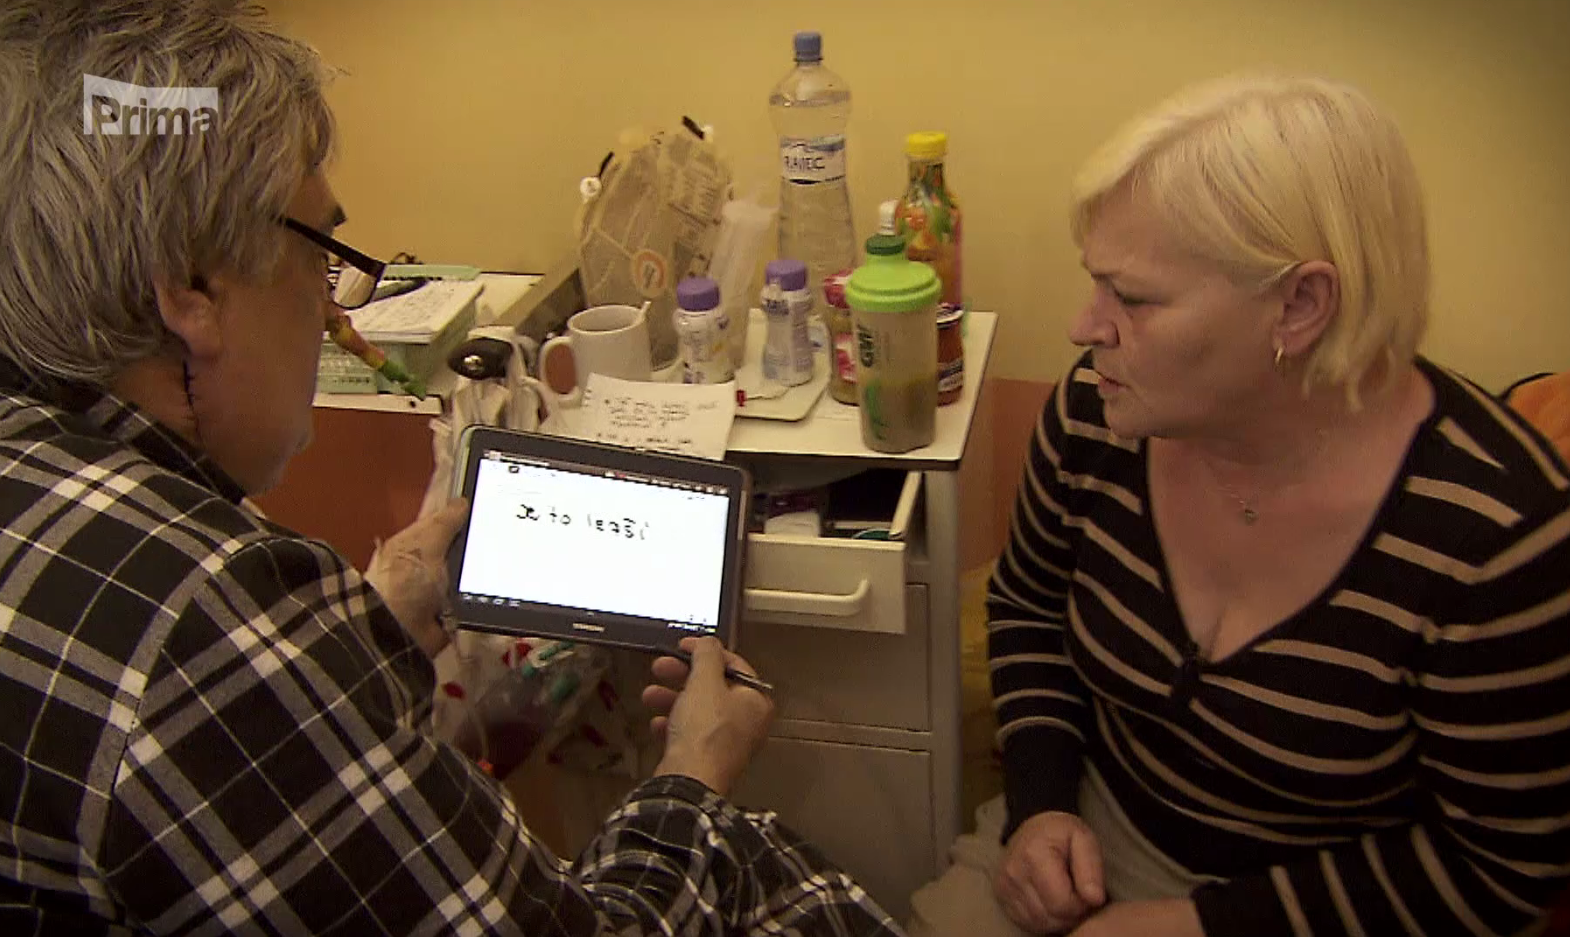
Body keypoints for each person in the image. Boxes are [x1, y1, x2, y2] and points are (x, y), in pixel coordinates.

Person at [0, 2, 898, 933]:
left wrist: (355, 640)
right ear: (190, 289)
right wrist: (694, 770)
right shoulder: (204, 617)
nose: (333, 312)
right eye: (322, 256)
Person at [909, 75, 1570, 937]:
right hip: (1096, 836)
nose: (1085, 326)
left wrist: (1201, 924)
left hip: (1330, 905)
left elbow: (1498, 867)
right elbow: (1029, 608)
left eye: (1132, 297)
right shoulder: (1100, 412)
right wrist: (1041, 807)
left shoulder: (1499, 536)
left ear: (1300, 304)